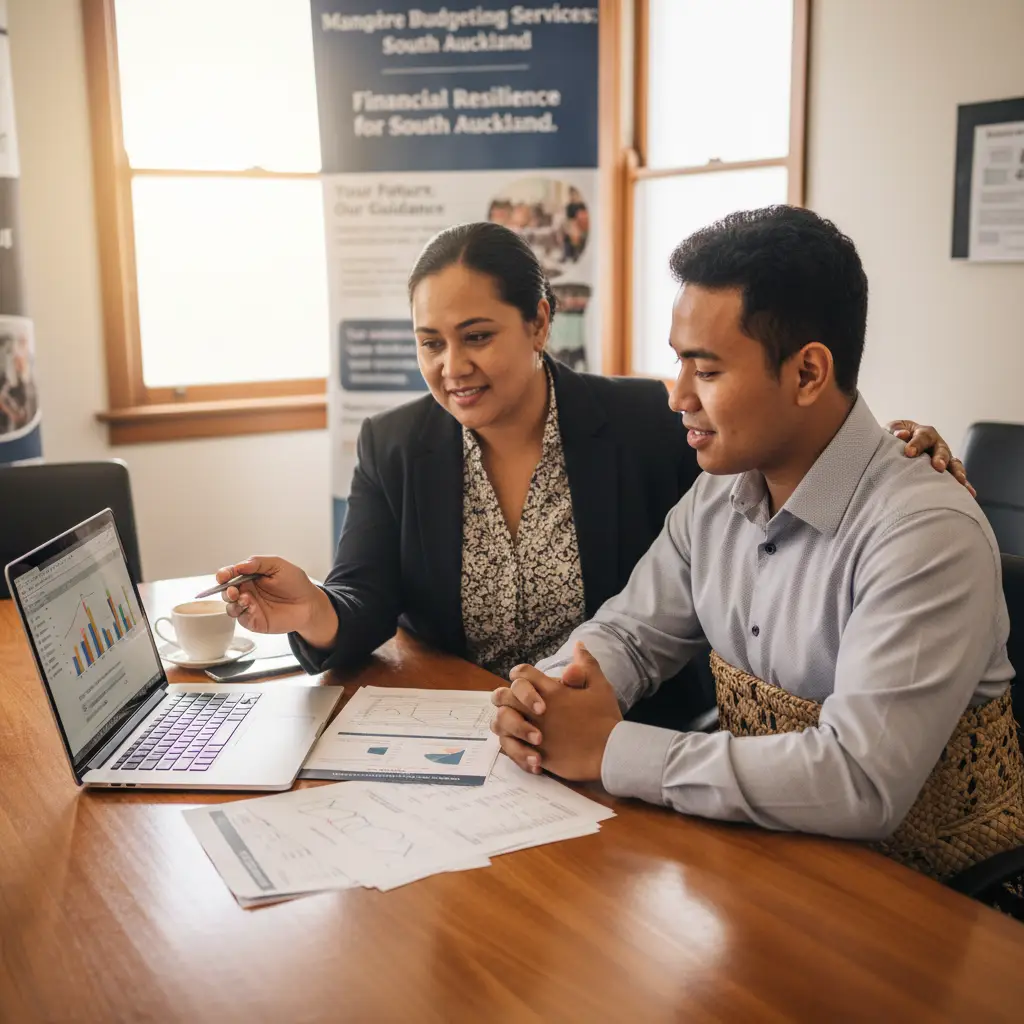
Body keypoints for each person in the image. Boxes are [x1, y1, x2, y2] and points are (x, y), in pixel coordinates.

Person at [216, 221, 966, 730]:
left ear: (540, 323)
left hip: (630, 737)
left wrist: (887, 445)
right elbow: (365, 595)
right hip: (489, 730)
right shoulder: (397, 443)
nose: (452, 368)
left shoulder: (647, 422)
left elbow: (785, 436)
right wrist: (312, 608)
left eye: (477, 336)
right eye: (431, 343)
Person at [491, 206, 1020, 880]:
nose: (677, 395)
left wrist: (612, 751)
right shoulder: (719, 492)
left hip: (932, 897)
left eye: (706, 372)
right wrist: (544, 701)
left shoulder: (924, 532)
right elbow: (628, 635)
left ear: (807, 374)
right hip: (765, 860)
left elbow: (861, 780)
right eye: (679, 362)